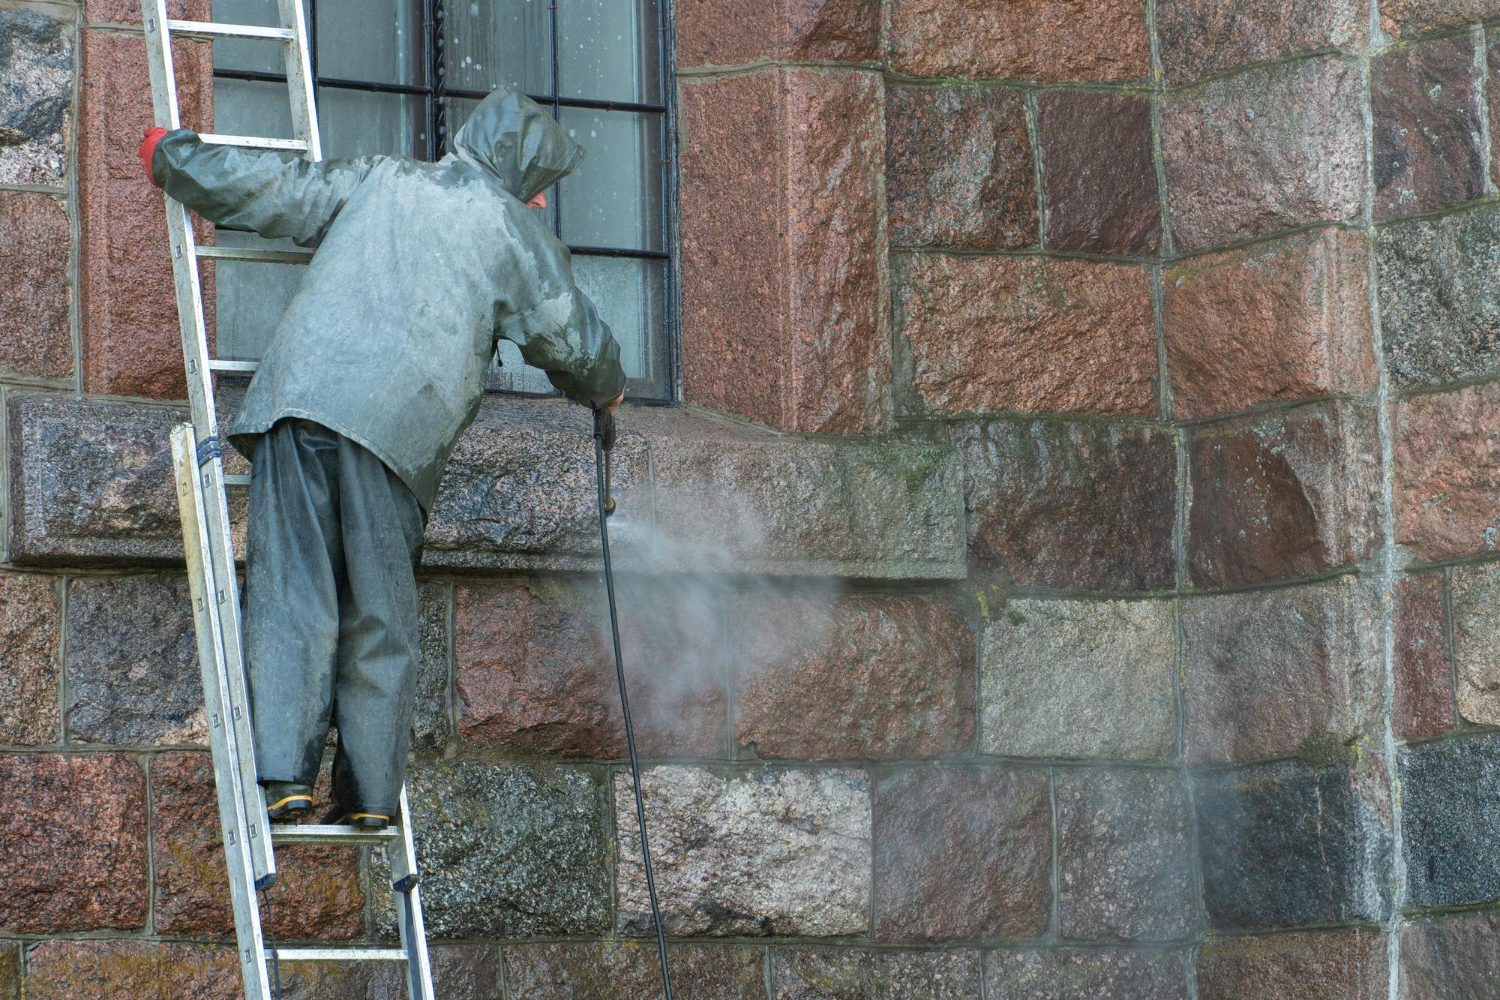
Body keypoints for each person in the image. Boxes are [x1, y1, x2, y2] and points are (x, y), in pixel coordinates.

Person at [141, 87, 625, 829]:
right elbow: (574, 344)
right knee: (379, 611)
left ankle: (283, 779)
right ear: (525, 172)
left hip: (298, 404)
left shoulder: (385, 178)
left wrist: (173, 159)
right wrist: (610, 393)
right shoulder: (512, 232)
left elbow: (271, 190)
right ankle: (368, 795)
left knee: (291, 592)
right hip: (397, 432)